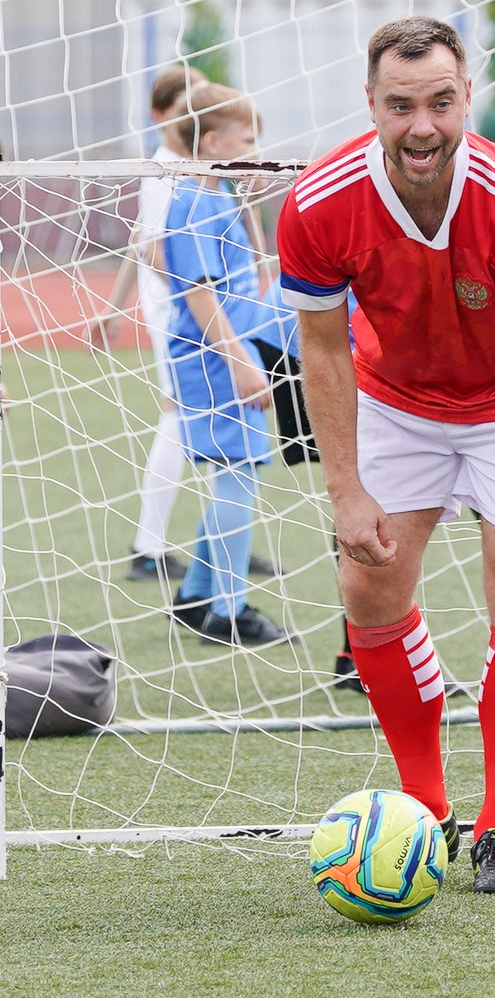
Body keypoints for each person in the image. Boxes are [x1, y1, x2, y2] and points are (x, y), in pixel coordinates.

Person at [275, 16, 495, 894]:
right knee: (368, 583)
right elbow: (323, 348)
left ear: (466, 98)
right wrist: (343, 492)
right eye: (400, 105)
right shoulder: (318, 202)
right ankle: (427, 808)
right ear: (371, 105)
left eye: (440, 102)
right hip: (399, 402)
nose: (421, 125)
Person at [164, 84, 293, 648]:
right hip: (215, 358)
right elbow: (198, 294)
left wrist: (248, 201)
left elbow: (245, 271)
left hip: (234, 348)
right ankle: (229, 612)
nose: (256, 149)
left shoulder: (217, 196)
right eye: (247, 140)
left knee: (235, 473)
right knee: (238, 473)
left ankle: (195, 595)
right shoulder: (190, 200)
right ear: (214, 141)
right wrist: (241, 361)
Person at [93, 67, 206, 582]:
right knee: (179, 415)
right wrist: (206, 296)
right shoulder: (167, 169)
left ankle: (220, 540)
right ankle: (148, 548)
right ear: (161, 116)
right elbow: (153, 248)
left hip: (193, 307)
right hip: (179, 311)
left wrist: (113, 308)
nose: (197, 112)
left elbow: (140, 238)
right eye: (187, 104)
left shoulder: (191, 166)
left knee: (207, 419)